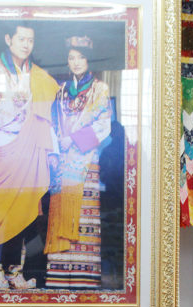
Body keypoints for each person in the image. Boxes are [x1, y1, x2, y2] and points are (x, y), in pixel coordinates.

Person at [0, 21, 59, 290]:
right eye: (21, 39)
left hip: (28, 150)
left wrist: (50, 151)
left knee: (23, 213)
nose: (26, 44)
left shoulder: (38, 76)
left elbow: (45, 116)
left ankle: (13, 272)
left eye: (30, 39)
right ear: (8, 39)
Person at [44, 35, 113, 289]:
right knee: (61, 211)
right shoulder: (60, 90)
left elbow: (104, 125)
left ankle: (84, 277)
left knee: (84, 218)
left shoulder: (100, 89)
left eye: (81, 57)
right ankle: (60, 276)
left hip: (86, 160)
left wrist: (72, 139)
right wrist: (55, 148)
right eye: (72, 57)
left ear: (89, 59)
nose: (76, 62)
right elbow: (51, 123)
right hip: (63, 162)